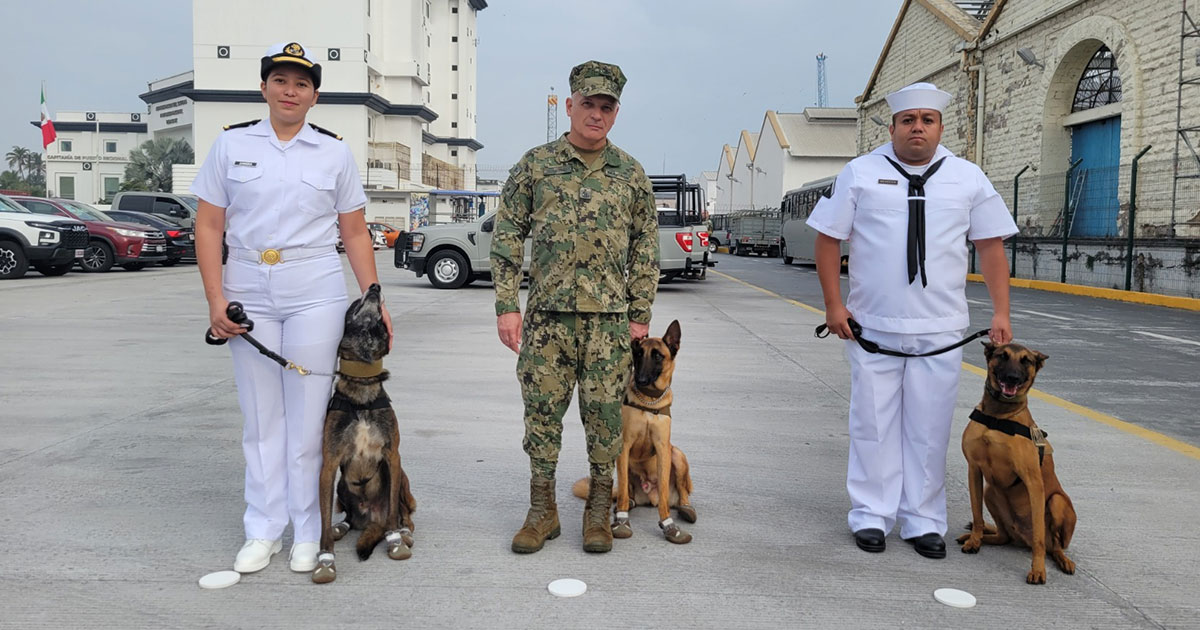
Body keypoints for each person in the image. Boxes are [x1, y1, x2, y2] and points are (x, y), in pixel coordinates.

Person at [191, 41, 393, 574]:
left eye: (300, 84)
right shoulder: (231, 145)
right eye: (280, 81)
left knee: (308, 425)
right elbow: (209, 225)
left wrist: (375, 299)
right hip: (249, 289)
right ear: (264, 88)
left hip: (314, 289)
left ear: (314, 96)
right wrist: (216, 299)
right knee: (261, 421)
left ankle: (309, 530)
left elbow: (354, 231)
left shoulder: (332, 152)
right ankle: (263, 529)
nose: (289, 91)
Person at [807, 82, 1016, 559]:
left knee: (929, 427)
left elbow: (990, 246)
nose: (917, 127)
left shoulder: (967, 177)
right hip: (872, 328)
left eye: (927, 119)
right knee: (872, 424)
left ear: (941, 126)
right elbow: (827, 239)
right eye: (908, 120)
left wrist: (1001, 311)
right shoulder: (861, 172)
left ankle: (922, 520)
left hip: (940, 329)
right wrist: (833, 305)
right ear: (893, 126)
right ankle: (871, 515)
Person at [490, 60, 659, 555]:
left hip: (609, 325)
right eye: (588, 104)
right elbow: (507, 236)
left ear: (615, 112)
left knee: (606, 419)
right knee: (541, 417)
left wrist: (640, 312)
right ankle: (542, 512)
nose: (596, 114)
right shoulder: (535, 165)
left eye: (606, 107)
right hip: (547, 321)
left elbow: (645, 246)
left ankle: (599, 514)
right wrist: (507, 304)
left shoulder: (630, 174)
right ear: (570, 105)